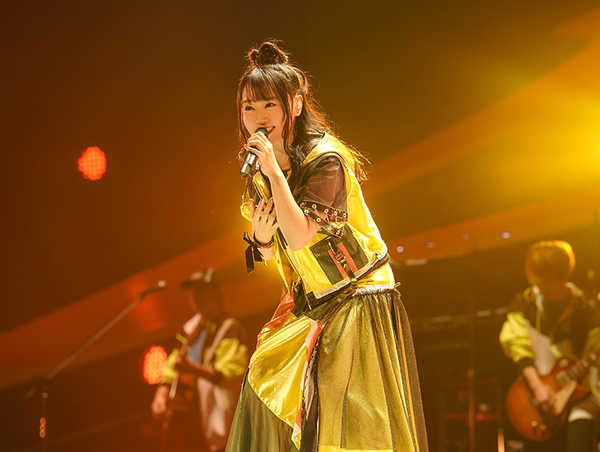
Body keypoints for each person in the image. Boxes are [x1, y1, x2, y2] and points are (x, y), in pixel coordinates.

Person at [226, 41, 428, 452]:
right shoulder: (261, 172)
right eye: (249, 107)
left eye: (269, 105)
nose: (259, 118)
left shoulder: (325, 160)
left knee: (345, 419)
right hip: (315, 298)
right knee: (265, 373)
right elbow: (277, 251)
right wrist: (262, 240)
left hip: (357, 295)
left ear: (295, 105)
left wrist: (275, 175)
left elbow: (302, 235)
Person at [500, 241, 600, 452]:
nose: (540, 286)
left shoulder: (585, 308)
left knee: (581, 426)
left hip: (578, 400)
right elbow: (518, 347)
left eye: (545, 281)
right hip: (534, 399)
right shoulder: (525, 303)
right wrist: (538, 388)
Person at [151, 269, 248, 452]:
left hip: (218, 420)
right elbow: (173, 364)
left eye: (202, 291)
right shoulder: (189, 328)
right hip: (188, 421)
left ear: (216, 294)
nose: (196, 297)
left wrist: (193, 369)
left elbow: (231, 372)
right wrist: (162, 392)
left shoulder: (229, 328)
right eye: (194, 292)